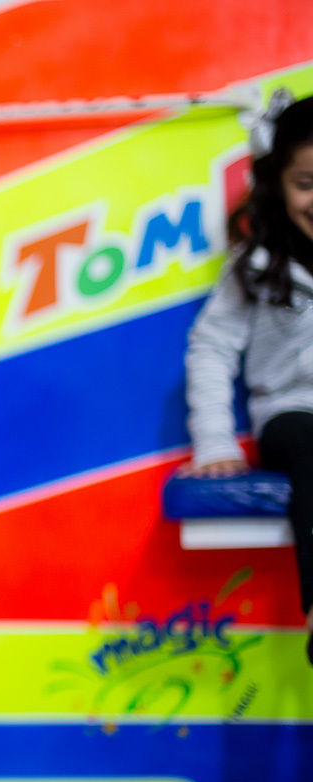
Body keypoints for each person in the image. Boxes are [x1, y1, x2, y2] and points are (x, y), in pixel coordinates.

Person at [184, 90, 313, 666]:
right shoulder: (257, 264)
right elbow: (212, 348)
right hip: (293, 414)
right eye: (306, 184)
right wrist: (215, 441)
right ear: (277, 184)